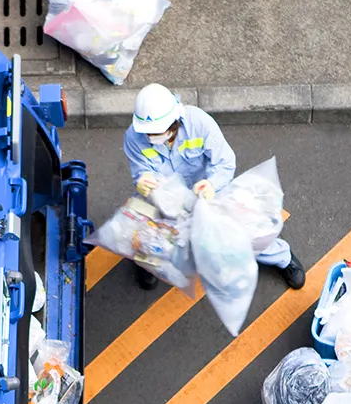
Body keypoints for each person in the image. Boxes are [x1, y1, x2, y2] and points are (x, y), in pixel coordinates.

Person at [124, 83, 306, 291]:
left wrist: (212, 184)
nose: (150, 137)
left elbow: (225, 162)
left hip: (207, 194)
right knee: (142, 233)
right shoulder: (134, 137)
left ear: (174, 122)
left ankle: (282, 257)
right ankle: (148, 265)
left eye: (155, 132)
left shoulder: (199, 123)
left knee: (242, 235)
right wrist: (143, 181)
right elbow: (140, 171)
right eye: (147, 133)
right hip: (166, 199)